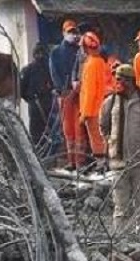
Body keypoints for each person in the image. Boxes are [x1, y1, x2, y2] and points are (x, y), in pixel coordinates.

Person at [100, 65, 140, 231]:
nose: (118, 83)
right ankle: (119, 241)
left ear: (131, 81)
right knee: (120, 207)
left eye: (122, 79)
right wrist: (111, 142)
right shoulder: (110, 102)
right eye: (117, 79)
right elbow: (103, 126)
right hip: (118, 163)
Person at [50, 21, 82, 169]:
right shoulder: (56, 52)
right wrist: (62, 89)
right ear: (63, 33)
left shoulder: (80, 50)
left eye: (75, 31)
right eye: (70, 32)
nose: (73, 34)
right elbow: (54, 73)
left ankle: (80, 161)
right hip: (64, 93)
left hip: (79, 94)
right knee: (68, 129)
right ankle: (71, 161)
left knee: (79, 129)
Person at [78, 32, 111, 171]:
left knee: (96, 138)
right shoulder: (100, 62)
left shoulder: (91, 64)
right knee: (103, 136)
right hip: (101, 106)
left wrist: (85, 112)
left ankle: (101, 164)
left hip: (93, 109)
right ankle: (104, 162)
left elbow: (90, 91)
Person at [21, 43, 55, 149]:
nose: (40, 56)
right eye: (38, 53)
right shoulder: (28, 70)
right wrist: (30, 99)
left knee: (46, 131)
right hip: (36, 103)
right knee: (38, 132)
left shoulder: (49, 68)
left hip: (44, 102)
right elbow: (21, 89)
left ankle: (45, 156)